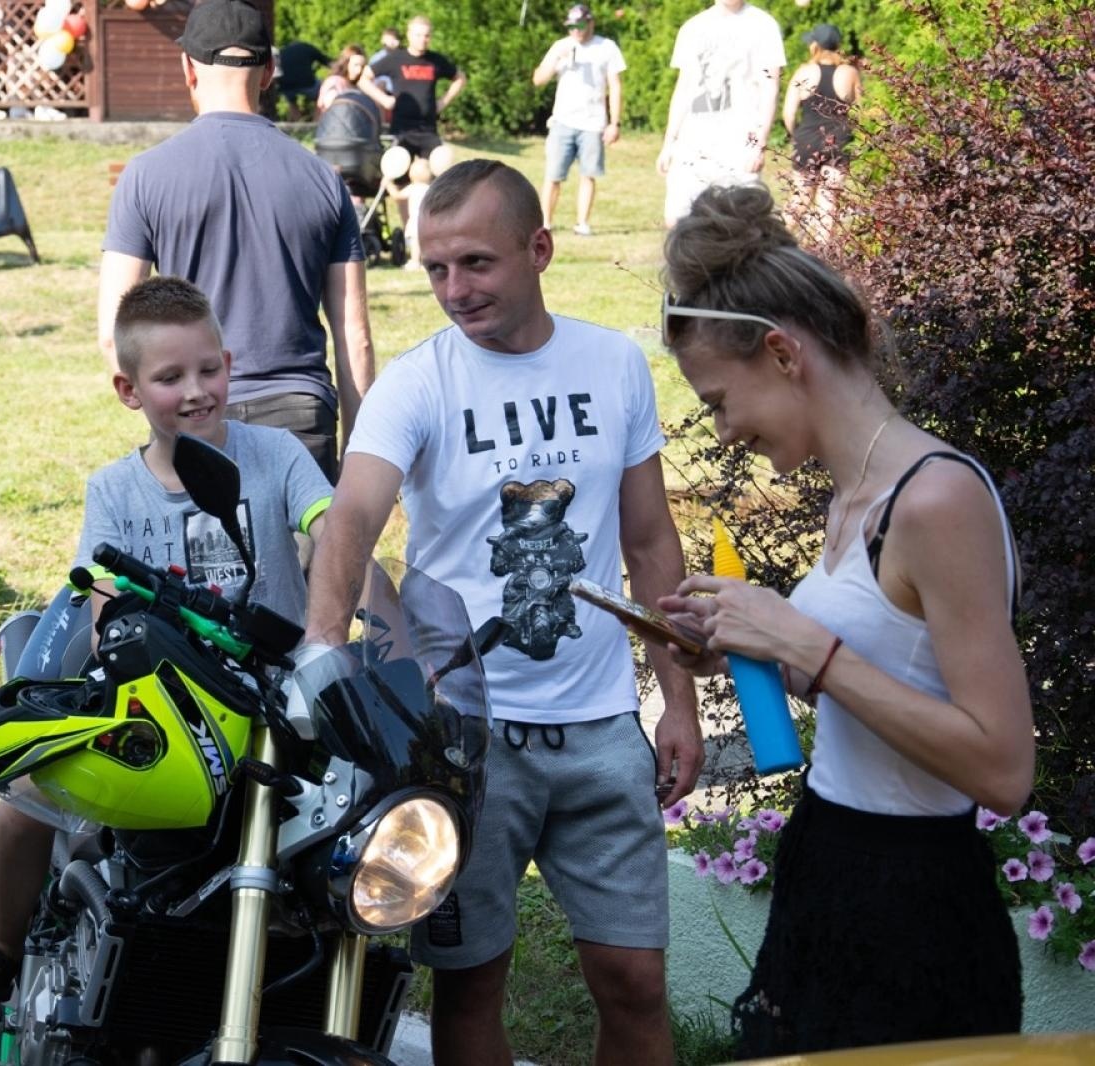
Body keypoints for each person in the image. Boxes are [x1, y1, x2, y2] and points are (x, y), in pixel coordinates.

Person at [299, 159, 702, 1066]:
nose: (454, 289)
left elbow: (650, 541)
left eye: (476, 263)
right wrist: (324, 646)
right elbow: (352, 517)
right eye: (436, 268)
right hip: (466, 740)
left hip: (602, 725)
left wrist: (675, 701)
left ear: (540, 248)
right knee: (471, 984)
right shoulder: (418, 382)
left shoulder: (614, 363)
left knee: (635, 983)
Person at [657, 185, 1031, 1055]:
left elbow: (1004, 768)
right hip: (828, 857)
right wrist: (744, 648)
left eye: (719, 401)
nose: (723, 431)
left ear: (783, 353)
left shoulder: (936, 500)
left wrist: (808, 647)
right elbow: (889, 680)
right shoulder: (851, 495)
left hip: (918, 906)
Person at [0, 275, 333, 1024]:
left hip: (273, 709)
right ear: (129, 389)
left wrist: (362, 608)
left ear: (229, 365)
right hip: (162, 704)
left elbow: (333, 531)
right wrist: (121, 636)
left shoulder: (276, 455)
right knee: (30, 792)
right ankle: (1, 946)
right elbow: (102, 592)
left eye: (207, 369)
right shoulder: (113, 489)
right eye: (170, 377)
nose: (196, 391)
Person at [98, 0, 374, 483]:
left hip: (194, 416)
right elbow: (355, 335)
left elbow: (113, 331)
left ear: (188, 68)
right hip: (301, 419)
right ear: (268, 73)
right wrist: (360, 455)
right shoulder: (324, 180)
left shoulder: (144, 176)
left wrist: (164, 406)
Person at [656, 0, 784, 228]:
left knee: (742, 223)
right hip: (693, 140)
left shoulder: (763, 25)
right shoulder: (693, 27)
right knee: (678, 220)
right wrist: (669, 143)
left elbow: (770, 87)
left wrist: (759, 143)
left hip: (739, 144)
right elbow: (684, 88)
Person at [531, 3, 626, 236]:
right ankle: (545, 223)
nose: (576, 30)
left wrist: (614, 123)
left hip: (593, 123)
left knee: (588, 174)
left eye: (580, 25)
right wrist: (556, 60)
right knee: (553, 175)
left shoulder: (606, 47)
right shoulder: (561, 46)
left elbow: (615, 86)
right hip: (562, 121)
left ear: (591, 23)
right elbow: (538, 80)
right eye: (572, 26)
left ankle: (582, 224)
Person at [781, 23, 861, 241]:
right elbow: (860, 113)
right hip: (838, 142)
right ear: (838, 45)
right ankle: (824, 254)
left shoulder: (804, 72)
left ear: (815, 46)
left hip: (807, 140)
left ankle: (775, 246)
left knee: (799, 200)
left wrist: (796, 135)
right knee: (828, 203)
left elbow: (789, 113)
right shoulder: (850, 73)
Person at [360, 15, 465, 159]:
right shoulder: (395, 58)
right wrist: (384, 99)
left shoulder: (436, 60)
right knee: (397, 169)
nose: (422, 39)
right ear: (409, 35)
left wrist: (443, 102)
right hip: (402, 129)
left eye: (426, 35)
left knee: (438, 166)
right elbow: (363, 79)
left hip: (428, 129)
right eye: (418, 35)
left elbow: (460, 78)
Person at [393, 156, 434, 268]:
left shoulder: (413, 188)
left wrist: (388, 184)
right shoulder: (429, 188)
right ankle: (425, 262)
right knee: (425, 242)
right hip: (427, 220)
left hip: (415, 220)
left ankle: (415, 261)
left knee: (415, 242)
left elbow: (397, 196)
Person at [276, 39, 330, 118]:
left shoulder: (282, 51)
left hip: (286, 85)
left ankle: (295, 121)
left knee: (292, 102)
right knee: (320, 94)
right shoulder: (307, 48)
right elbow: (326, 61)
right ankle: (317, 119)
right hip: (307, 83)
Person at [317, 44, 367, 115]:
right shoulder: (334, 82)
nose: (359, 70)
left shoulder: (358, 86)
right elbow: (333, 109)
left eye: (362, 66)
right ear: (346, 64)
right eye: (356, 65)